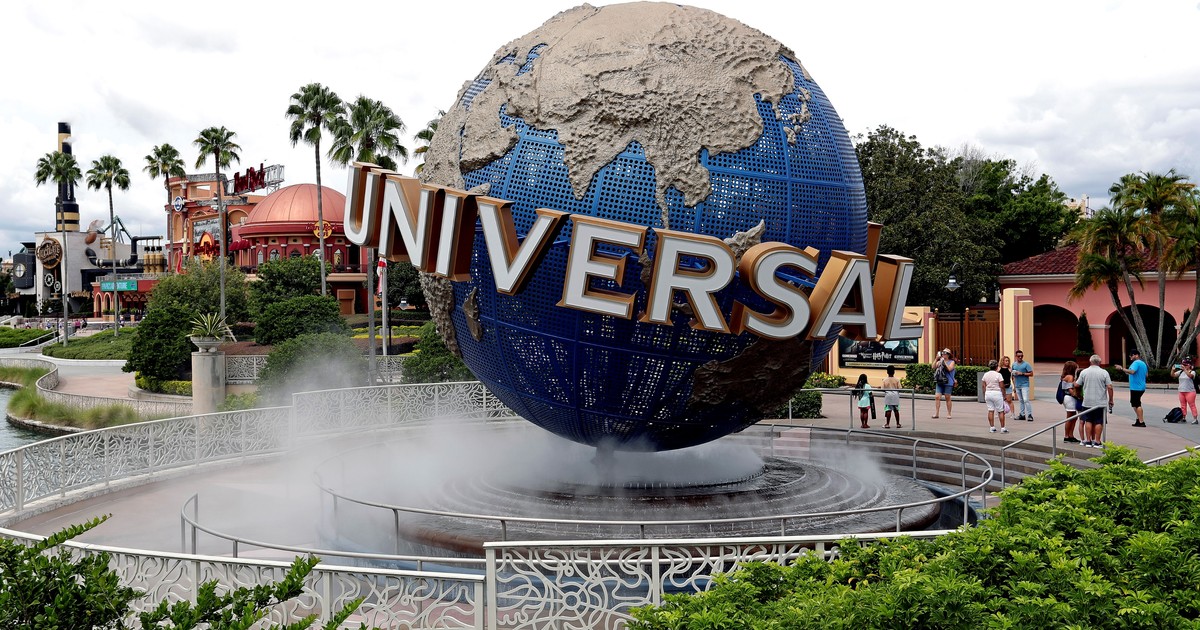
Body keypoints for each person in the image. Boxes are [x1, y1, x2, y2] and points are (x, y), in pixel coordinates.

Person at [1076, 354, 1114, 448]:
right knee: (1099, 421)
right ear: (1099, 362)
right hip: (1100, 402)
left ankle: (1088, 440)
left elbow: (1077, 385)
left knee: (1088, 420)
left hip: (1087, 401)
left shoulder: (1084, 372)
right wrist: (1111, 400)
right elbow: (1109, 387)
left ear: (1090, 361)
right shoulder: (1104, 372)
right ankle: (1097, 441)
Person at [1118, 350, 1148, 427]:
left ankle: (1141, 421)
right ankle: (1138, 419)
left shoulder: (1136, 363)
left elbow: (1132, 372)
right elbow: (1146, 375)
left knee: (1137, 404)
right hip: (1141, 386)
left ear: (1136, 355)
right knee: (1135, 403)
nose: (1130, 357)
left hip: (1136, 387)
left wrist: (1121, 368)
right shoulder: (1143, 363)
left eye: (1131, 355)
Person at [981, 359, 1008, 433]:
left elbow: (983, 385)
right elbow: (1002, 386)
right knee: (1000, 411)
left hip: (988, 393)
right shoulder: (998, 375)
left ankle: (992, 427)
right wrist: (1004, 395)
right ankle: (1002, 428)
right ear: (996, 366)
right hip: (997, 393)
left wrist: (984, 394)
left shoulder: (986, 374)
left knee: (990, 410)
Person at [931, 348, 956, 419]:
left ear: (948, 355)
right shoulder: (940, 361)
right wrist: (936, 359)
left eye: (945, 353)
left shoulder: (952, 362)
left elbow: (949, 369)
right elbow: (933, 367)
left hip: (948, 382)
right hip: (939, 381)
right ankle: (937, 413)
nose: (944, 354)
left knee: (947, 397)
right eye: (943, 353)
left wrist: (943, 362)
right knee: (937, 397)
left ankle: (949, 413)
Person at [1059, 360, 1080, 442]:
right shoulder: (1070, 377)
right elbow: (1070, 389)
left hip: (1068, 398)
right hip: (1069, 398)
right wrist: (1078, 396)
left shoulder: (1066, 376)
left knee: (1074, 417)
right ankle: (1067, 436)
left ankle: (1070, 435)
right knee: (1070, 417)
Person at [1172, 357, 1198, 424]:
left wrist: (1185, 370)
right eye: (1183, 364)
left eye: (1185, 365)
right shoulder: (1181, 372)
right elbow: (1173, 375)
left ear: (1189, 365)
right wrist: (1172, 370)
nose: (1184, 366)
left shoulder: (1192, 372)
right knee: (1183, 405)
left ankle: (1195, 418)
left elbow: (1190, 376)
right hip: (1181, 391)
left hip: (1190, 391)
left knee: (1192, 405)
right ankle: (1183, 417)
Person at [1012, 350, 1034, 422]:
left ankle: (1030, 415)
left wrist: (1022, 373)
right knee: (1021, 400)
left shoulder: (1026, 364)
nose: (1020, 357)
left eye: (1021, 356)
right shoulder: (1014, 365)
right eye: (1019, 356)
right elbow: (1013, 376)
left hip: (1025, 384)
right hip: (1017, 385)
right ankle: (1022, 414)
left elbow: (1031, 373)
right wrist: (1014, 386)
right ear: (1016, 356)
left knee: (1026, 400)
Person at [998, 355, 1013, 424]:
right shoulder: (999, 369)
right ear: (1002, 361)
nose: (1007, 362)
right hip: (1001, 387)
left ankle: (1012, 413)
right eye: (1006, 361)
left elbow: (1012, 378)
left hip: (1008, 386)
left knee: (1009, 400)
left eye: (1008, 361)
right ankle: (1000, 412)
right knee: (1000, 400)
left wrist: (1014, 386)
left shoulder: (1009, 369)